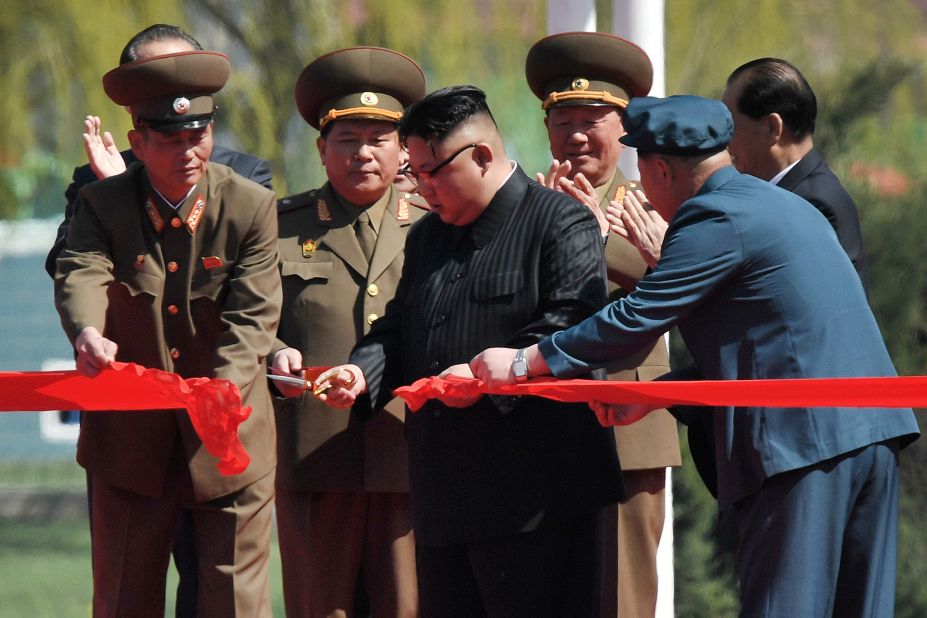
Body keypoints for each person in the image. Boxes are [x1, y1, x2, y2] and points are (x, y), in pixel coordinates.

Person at [470, 95, 919, 616]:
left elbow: (638, 315)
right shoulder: (778, 203)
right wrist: (655, 395)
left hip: (804, 447)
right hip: (871, 438)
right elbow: (766, 340)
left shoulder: (712, 215)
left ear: (660, 169)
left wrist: (527, 361)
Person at [315, 85, 623, 616]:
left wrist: (484, 381)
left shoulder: (558, 222)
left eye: (432, 171)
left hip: (536, 499)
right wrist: (362, 373)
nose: (421, 187)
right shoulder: (428, 238)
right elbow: (399, 327)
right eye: (414, 172)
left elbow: (571, 331)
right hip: (444, 496)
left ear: (481, 155)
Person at [44, 24, 273, 617]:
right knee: (123, 601)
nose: (189, 150)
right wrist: (88, 333)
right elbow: (81, 269)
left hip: (227, 438)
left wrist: (222, 391)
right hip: (129, 443)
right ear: (136, 141)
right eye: (170, 138)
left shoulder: (250, 202)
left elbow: (254, 313)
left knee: (231, 605)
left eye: (199, 133)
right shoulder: (101, 202)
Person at [525, 31, 680, 617]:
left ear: (625, 129)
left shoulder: (656, 204)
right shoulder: (521, 206)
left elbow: (672, 292)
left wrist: (595, 237)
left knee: (622, 595)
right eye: (563, 118)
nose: (578, 134)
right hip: (539, 428)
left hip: (628, 430)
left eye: (595, 118)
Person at [269, 46, 426, 617]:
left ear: (402, 148)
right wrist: (275, 354)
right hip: (313, 452)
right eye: (347, 139)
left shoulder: (437, 227)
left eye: (379, 138)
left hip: (407, 450)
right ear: (321, 148)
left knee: (406, 606)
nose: (363, 152)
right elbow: (249, 319)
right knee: (319, 607)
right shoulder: (279, 228)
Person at [45, 23, 272, 279]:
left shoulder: (245, 176)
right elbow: (67, 270)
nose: (174, 94)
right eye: (156, 81)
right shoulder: (94, 181)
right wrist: (117, 194)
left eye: (187, 75)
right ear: (130, 107)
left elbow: (261, 273)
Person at [722, 57, 869, 292]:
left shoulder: (814, 202)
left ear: (772, 128)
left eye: (730, 126)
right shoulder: (789, 191)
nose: (724, 141)